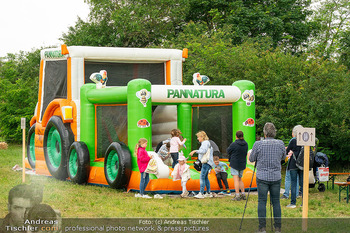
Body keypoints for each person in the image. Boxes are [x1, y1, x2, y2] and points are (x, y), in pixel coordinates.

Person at [249, 123, 286, 233]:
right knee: (276, 202)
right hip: (275, 176)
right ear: (274, 133)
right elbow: (283, 158)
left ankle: (262, 228)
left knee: (262, 201)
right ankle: (278, 228)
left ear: (264, 133)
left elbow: (251, 158)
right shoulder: (280, 143)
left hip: (262, 176)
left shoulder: (258, 144)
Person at [189, 131, 214, 199]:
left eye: (198, 137)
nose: (197, 138)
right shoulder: (206, 142)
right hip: (208, 162)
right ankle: (208, 192)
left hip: (206, 162)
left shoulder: (205, 143)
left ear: (202, 137)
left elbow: (203, 151)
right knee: (205, 177)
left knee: (202, 177)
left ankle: (201, 193)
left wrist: (195, 151)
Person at [285, 125, 303, 208]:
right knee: (302, 183)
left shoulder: (293, 141)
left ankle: (293, 203)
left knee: (293, 183)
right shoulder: (305, 140)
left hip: (293, 164)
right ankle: (303, 203)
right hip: (302, 164)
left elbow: (287, 151)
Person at [227, 130, 248, 201]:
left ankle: (237, 195)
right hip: (242, 163)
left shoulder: (234, 144)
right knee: (240, 179)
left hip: (234, 163)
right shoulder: (246, 144)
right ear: (242, 136)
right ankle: (243, 194)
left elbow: (228, 151)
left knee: (235, 179)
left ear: (236, 136)